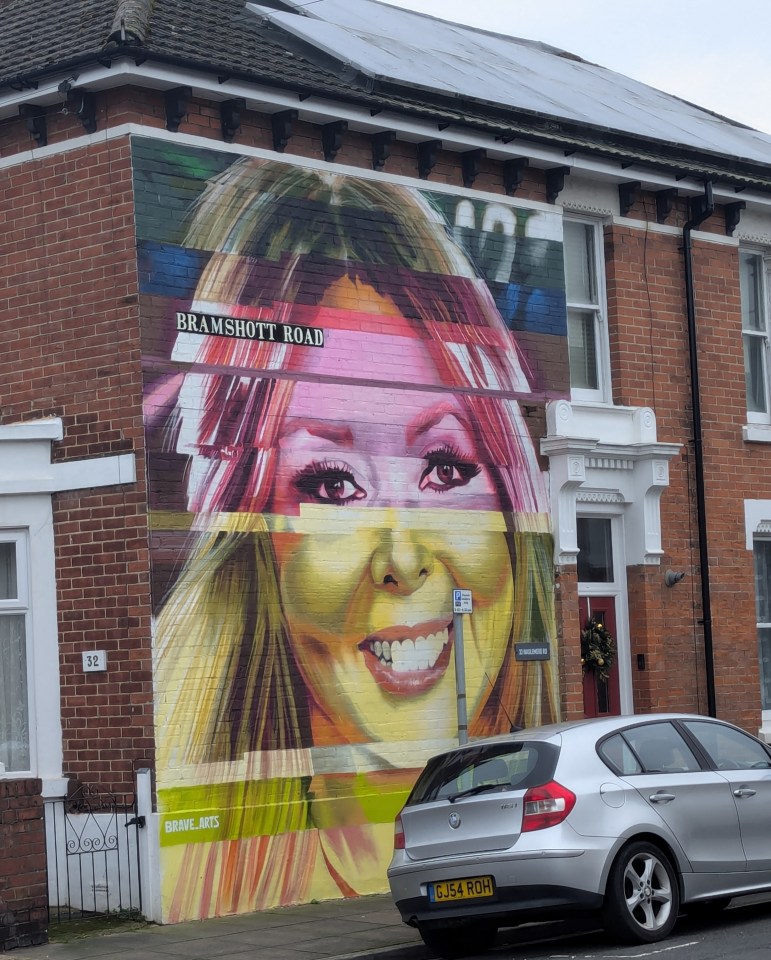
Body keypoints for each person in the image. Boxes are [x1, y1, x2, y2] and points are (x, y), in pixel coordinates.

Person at [147, 159, 558, 921]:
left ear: (510, 502)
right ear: (253, 540)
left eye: (443, 465)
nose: (401, 558)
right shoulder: (213, 872)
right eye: (332, 483)